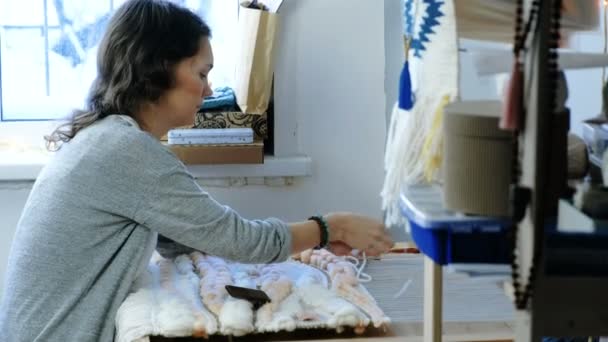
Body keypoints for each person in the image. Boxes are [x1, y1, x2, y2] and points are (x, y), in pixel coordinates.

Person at [0, 0, 393, 341]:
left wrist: (297, 249)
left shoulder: (108, 140)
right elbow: (238, 240)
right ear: (158, 69)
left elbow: (193, 237)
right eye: (201, 74)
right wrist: (330, 228)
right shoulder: (126, 151)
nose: (208, 91)